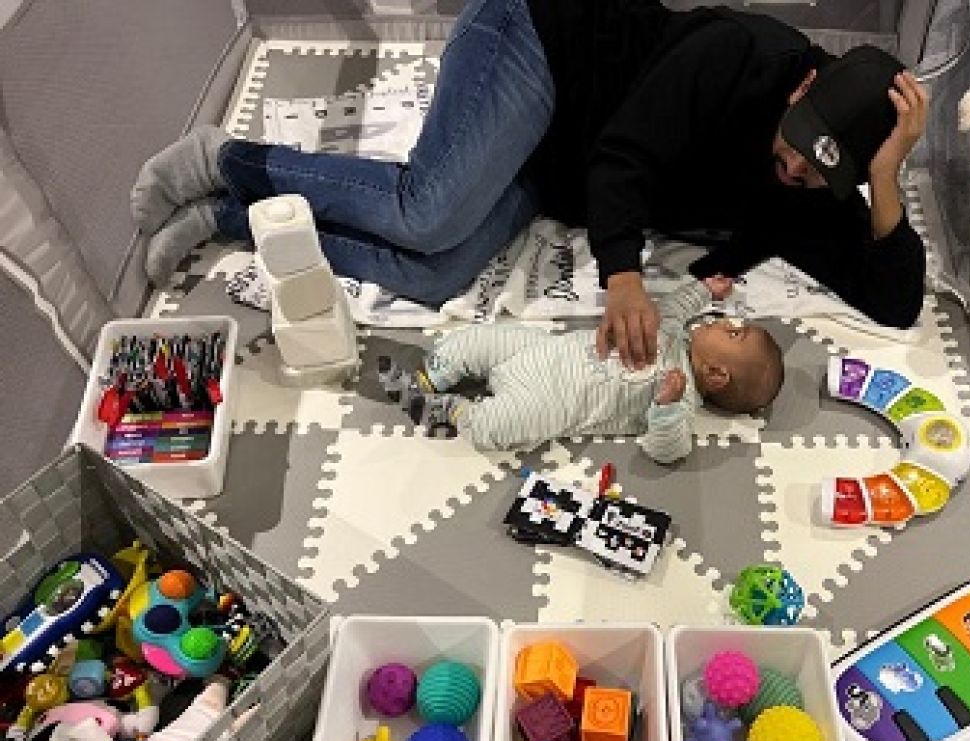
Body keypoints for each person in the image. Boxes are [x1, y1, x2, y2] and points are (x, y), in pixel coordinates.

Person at [131, 0, 927, 369]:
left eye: (818, 173)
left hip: (554, 165)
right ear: (802, 87)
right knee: (429, 211)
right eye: (795, 146)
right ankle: (223, 161)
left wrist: (884, 179)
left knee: (436, 273)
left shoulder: (811, 189)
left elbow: (895, 301)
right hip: (541, 43)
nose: (793, 170)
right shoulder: (738, 51)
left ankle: (232, 217)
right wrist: (622, 276)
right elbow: (623, 156)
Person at [380, 275, 780, 464]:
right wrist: (704, 290)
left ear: (716, 375)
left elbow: (669, 449)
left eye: (735, 334)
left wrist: (667, 406)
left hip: (552, 402)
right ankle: (432, 375)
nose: (728, 322)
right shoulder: (674, 332)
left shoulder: (682, 395)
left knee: (496, 428)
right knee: (481, 339)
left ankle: (449, 412)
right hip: (543, 351)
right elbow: (675, 307)